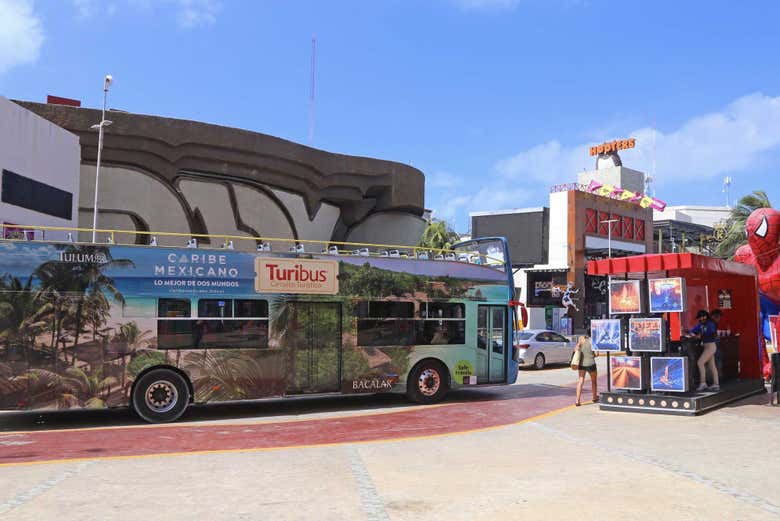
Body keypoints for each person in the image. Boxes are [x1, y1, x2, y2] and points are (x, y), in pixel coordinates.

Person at [687, 309, 720, 392]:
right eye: (700, 317)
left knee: (700, 362)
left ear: (706, 316)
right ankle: (716, 384)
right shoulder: (700, 324)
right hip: (707, 346)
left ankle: (703, 383)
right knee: (712, 366)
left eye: (703, 317)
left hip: (711, 346)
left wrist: (700, 336)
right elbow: (693, 330)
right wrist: (690, 333)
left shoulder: (710, 323)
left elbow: (711, 333)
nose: (701, 319)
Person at [574, 328, 598, 406]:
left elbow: (576, 349)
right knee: (593, 381)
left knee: (581, 381)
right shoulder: (593, 340)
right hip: (591, 363)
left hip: (581, 364)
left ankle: (577, 400)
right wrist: (592, 355)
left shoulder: (581, 339)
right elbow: (597, 354)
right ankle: (594, 397)